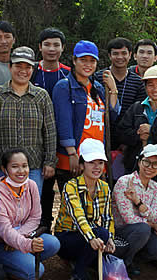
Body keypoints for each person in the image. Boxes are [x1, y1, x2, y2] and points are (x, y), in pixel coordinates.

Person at [0, 46, 57, 194]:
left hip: (34, 166)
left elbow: (49, 131)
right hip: (2, 166)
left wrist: (50, 162)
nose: (23, 71)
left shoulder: (41, 96)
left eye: (27, 67)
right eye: (18, 66)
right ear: (10, 67)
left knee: (31, 207)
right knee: (3, 208)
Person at [52, 40, 118, 191]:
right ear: (74, 61)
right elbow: (64, 121)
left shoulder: (98, 88)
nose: (88, 64)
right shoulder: (64, 86)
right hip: (75, 158)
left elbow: (111, 118)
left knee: (93, 207)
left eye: (92, 61)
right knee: (74, 206)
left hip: (96, 158)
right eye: (83, 60)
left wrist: (113, 90)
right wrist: (72, 153)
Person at [54, 139, 116, 280]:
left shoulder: (104, 187)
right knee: (100, 234)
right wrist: (93, 237)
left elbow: (108, 216)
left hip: (90, 235)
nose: (97, 167)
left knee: (105, 237)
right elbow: (78, 216)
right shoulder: (70, 186)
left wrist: (110, 238)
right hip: (67, 237)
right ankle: (76, 278)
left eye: (100, 163)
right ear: (82, 165)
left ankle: (82, 264)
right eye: (91, 163)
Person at [0, 149, 60, 280]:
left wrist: (21, 238)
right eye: (14, 166)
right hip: (1, 243)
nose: (21, 171)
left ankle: (21, 261)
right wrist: (27, 245)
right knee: (36, 272)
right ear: (4, 169)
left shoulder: (31, 185)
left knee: (53, 243)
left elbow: (35, 217)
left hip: (23, 237)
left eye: (24, 166)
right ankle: (5, 266)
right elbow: (4, 229)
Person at [116, 65, 157, 192]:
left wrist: (152, 131)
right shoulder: (136, 108)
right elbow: (121, 133)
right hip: (136, 171)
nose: (155, 89)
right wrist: (138, 136)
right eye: (150, 85)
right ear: (145, 87)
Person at [32, 27, 70, 233]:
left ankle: (66, 229)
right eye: (47, 44)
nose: (51, 49)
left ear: (63, 48)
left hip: (63, 141)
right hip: (36, 140)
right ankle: (42, 226)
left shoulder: (69, 74)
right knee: (43, 188)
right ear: (40, 47)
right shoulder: (31, 72)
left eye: (56, 44)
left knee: (67, 188)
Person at [112, 144, 157, 276]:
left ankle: (134, 258)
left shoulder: (156, 187)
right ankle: (125, 263)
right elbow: (128, 219)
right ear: (139, 162)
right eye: (146, 162)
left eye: (155, 164)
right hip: (121, 231)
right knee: (143, 229)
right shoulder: (124, 182)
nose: (150, 167)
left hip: (142, 232)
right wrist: (152, 225)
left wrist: (138, 202)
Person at [94, 37, 147, 180]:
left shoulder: (137, 82)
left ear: (130, 55)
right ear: (109, 55)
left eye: (124, 53)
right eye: (115, 53)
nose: (120, 57)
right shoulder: (99, 77)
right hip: (101, 139)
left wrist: (128, 140)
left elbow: (140, 113)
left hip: (127, 143)